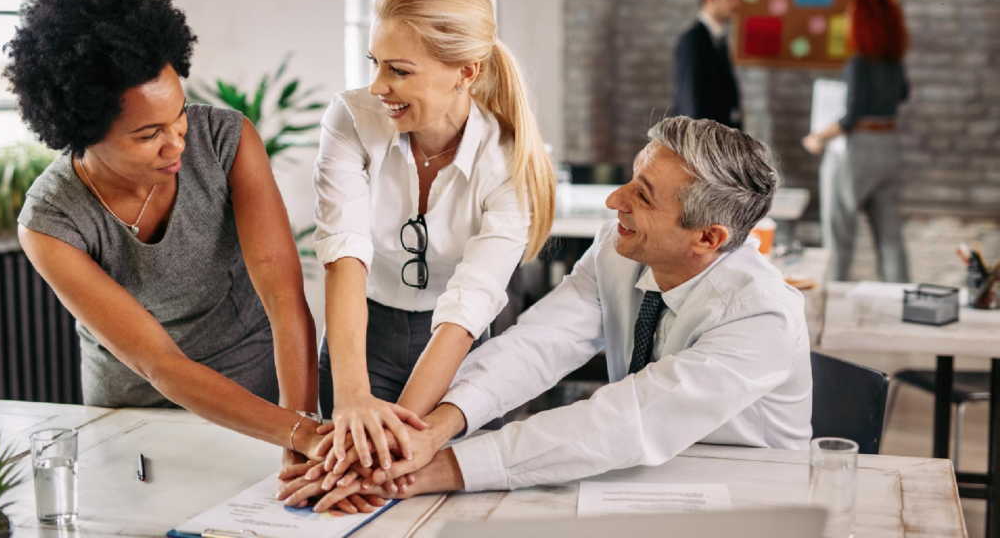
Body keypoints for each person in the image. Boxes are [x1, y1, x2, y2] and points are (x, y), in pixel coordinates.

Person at [277, 116, 813, 508]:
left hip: (751, 497)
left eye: (644, 196)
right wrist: (433, 430)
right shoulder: (618, 249)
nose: (614, 200)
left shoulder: (760, 316)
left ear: (708, 238)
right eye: (631, 178)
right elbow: (539, 344)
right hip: (634, 481)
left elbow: (628, 418)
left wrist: (432, 470)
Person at [6, 0, 351, 504]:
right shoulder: (50, 221)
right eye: (148, 134)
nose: (176, 144)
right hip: (132, 417)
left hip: (259, 397)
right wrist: (300, 433)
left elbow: (284, 299)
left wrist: (298, 424)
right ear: (84, 132)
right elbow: (159, 363)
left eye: (179, 116)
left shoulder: (226, 140)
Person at [313, 0, 555, 477]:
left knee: (427, 485)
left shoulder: (506, 163)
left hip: (456, 348)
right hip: (363, 335)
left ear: (466, 72)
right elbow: (344, 252)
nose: (377, 86)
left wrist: (399, 438)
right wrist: (352, 395)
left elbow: (469, 307)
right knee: (350, 481)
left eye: (399, 71)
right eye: (375, 63)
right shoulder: (351, 119)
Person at [803, 0, 910, 283]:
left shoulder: (858, 63)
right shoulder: (895, 62)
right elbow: (902, 95)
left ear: (863, 21)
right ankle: (899, 295)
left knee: (838, 234)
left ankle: (833, 296)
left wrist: (817, 137)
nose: (846, 19)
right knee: (890, 236)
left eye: (850, 15)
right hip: (889, 146)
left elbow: (851, 117)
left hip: (856, 151)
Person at [671, 0, 744, 130]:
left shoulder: (718, 38)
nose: (736, 3)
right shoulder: (693, 40)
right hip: (701, 138)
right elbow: (690, 98)